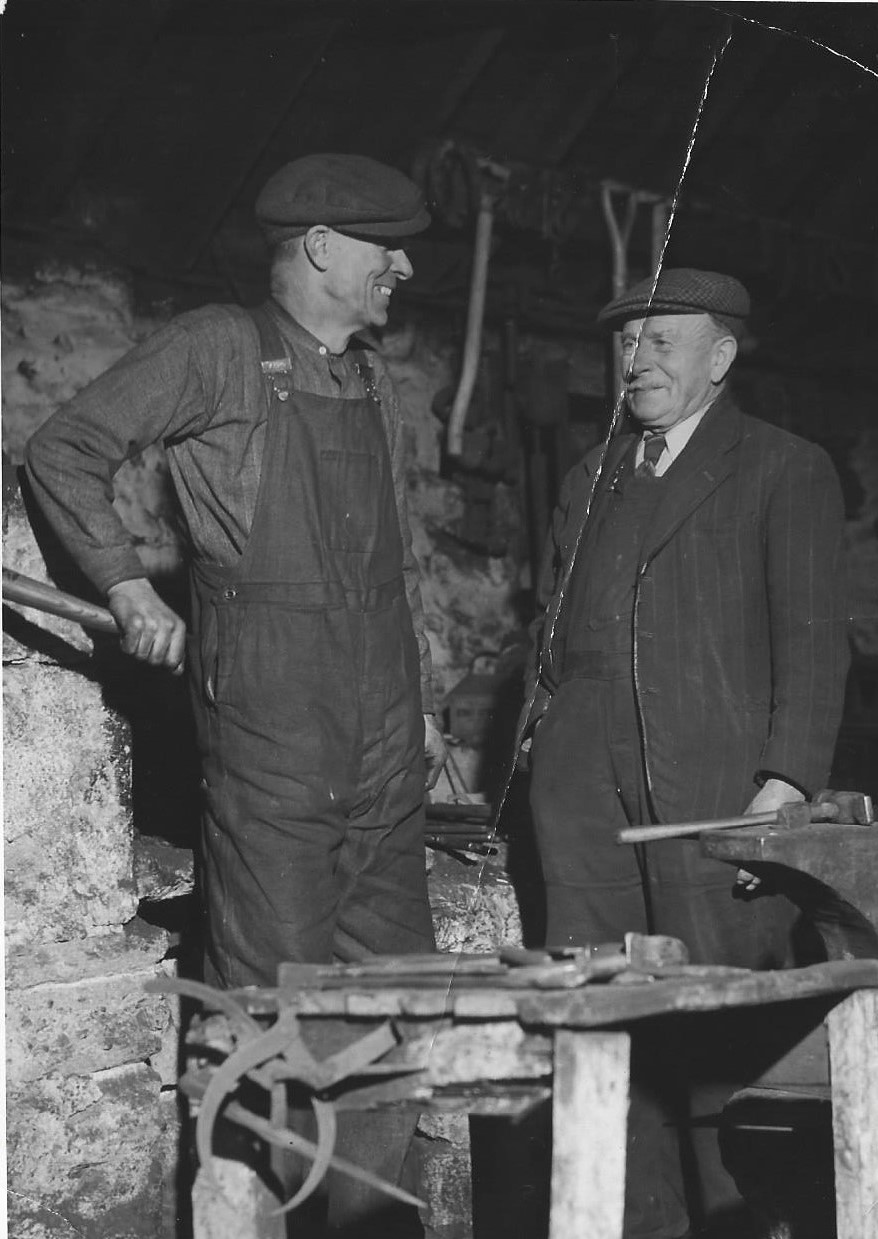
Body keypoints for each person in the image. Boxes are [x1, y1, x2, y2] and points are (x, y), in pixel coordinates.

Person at [25, 152, 446, 1235]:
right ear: (321, 248)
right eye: (386, 247)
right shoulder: (219, 347)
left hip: (383, 746)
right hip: (273, 742)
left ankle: (372, 1223)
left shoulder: (368, 379)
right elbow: (66, 449)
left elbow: (385, 577)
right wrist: (126, 584)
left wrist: (419, 708)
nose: (403, 268)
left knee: (391, 998)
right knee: (273, 1011)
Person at [521, 268, 849, 1238]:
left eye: (664, 340)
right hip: (585, 808)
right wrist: (536, 736)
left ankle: (748, 1223)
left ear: (721, 356)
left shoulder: (783, 468)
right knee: (607, 1034)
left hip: (716, 797)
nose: (639, 359)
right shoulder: (591, 475)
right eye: (628, 341)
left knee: (722, 1040)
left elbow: (812, 641)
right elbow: (549, 628)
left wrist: (783, 785)